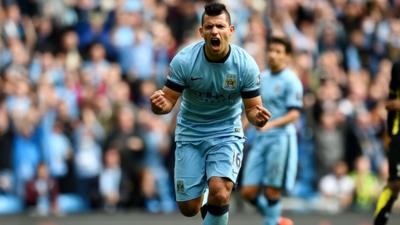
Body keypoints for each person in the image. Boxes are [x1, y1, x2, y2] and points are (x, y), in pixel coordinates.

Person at [150, 2, 270, 225]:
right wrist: (159, 106)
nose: (215, 31)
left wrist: (257, 118)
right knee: (188, 208)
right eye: (210, 27)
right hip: (190, 133)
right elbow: (168, 100)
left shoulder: (245, 65)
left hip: (226, 132)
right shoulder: (185, 61)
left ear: (230, 31)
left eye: (220, 26)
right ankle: (205, 197)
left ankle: (213, 194)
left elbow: (252, 109)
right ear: (201, 32)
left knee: (221, 191)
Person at [240, 36, 303, 225]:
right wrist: (239, 129)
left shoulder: (291, 80)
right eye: (271, 50)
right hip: (260, 140)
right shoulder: (261, 77)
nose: (273, 55)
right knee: (248, 191)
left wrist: (271, 125)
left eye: (278, 51)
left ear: (287, 57)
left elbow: (294, 115)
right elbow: (252, 109)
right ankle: (276, 220)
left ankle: (272, 221)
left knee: (272, 190)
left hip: (280, 140)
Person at [374, 60, 400, 225]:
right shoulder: (398, 67)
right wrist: (389, 134)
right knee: (394, 183)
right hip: (399, 133)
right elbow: (390, 103)